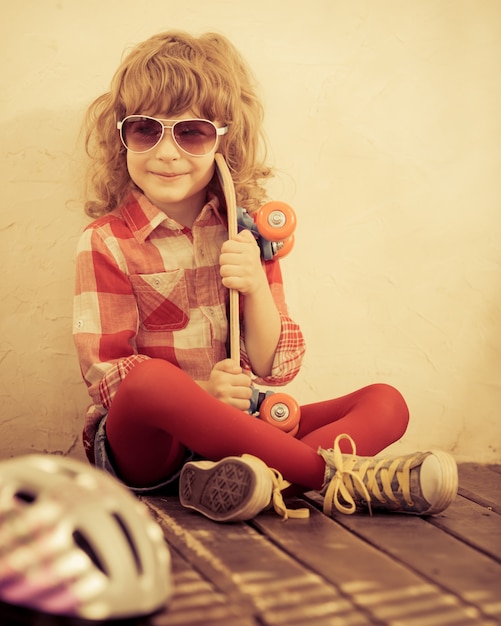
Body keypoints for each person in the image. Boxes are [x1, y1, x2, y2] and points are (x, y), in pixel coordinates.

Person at [74, 30, 458, 523]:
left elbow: (275, 367)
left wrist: (254, 284)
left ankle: (242, 480)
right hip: (154, 453)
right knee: (149, 384)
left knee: (387, 402)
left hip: (247, 426)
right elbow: (107, 377)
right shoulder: (106, 240)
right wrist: (202, 398)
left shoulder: (250, 233)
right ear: (122, 136)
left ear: (223, 140)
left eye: (191, 132)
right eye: (147, 130)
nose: (166, 152)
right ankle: (337, 479)